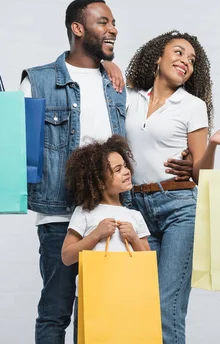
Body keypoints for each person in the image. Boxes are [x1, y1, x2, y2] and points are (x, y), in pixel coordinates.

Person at [0, 0, 192, 344]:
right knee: (56, 311)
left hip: (115, 214)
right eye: (103, 23)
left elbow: (151, 127)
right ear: (78, 29)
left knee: (107, 311)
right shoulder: (40, 81)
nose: (113, 30)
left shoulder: (120, 86)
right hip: (59, 216)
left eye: (113, 23)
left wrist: (189, 161)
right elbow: (7, 135)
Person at [124, 30, 220, 344]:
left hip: (178, 209)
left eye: (192, 60)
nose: (185, 62)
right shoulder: (128, 98)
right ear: (157, 58)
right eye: (178, 53)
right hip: (135, 209)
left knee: (168, 309)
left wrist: (213, 145)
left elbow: (200, 176)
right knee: (139, 307)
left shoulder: (192, 106)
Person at [60, 135, 150, 343]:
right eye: (117, 170)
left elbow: (147, 260)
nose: (126, 172)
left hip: (129, 295)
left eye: (125, 166)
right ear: (99, 182)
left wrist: (134, 239)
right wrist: (96, 235)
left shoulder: (134, 216)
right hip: (94, 296)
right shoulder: (84, 212)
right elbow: (67, 256)